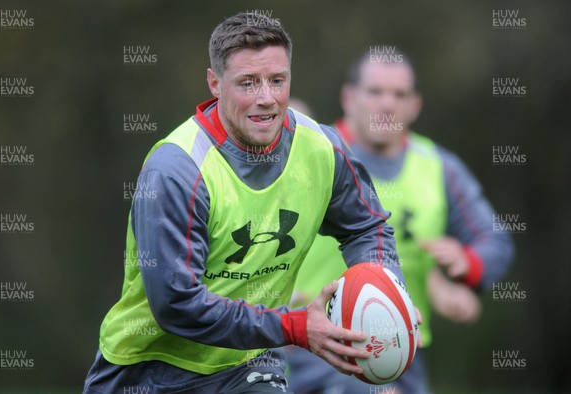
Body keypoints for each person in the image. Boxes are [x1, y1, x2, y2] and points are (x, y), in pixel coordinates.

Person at [83, 14, 415, 394]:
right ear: (215, 83)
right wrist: (295, 327)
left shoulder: (323, 149)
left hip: (248, 365)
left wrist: (389, 293)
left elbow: (366, 226)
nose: (266, 98)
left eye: (277, 80)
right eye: (248, 83)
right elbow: (176, 305)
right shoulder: (177, 169)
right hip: (149, 369)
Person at [286, 49, 514, 394]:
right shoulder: (308, 153)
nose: (387, 104)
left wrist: (465, 267)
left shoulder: (439, 168)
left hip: (400, 355)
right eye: (376, 92)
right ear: (350, 98)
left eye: (400, 94)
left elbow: (497, 240)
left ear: (415, 105)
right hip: (311, 352)